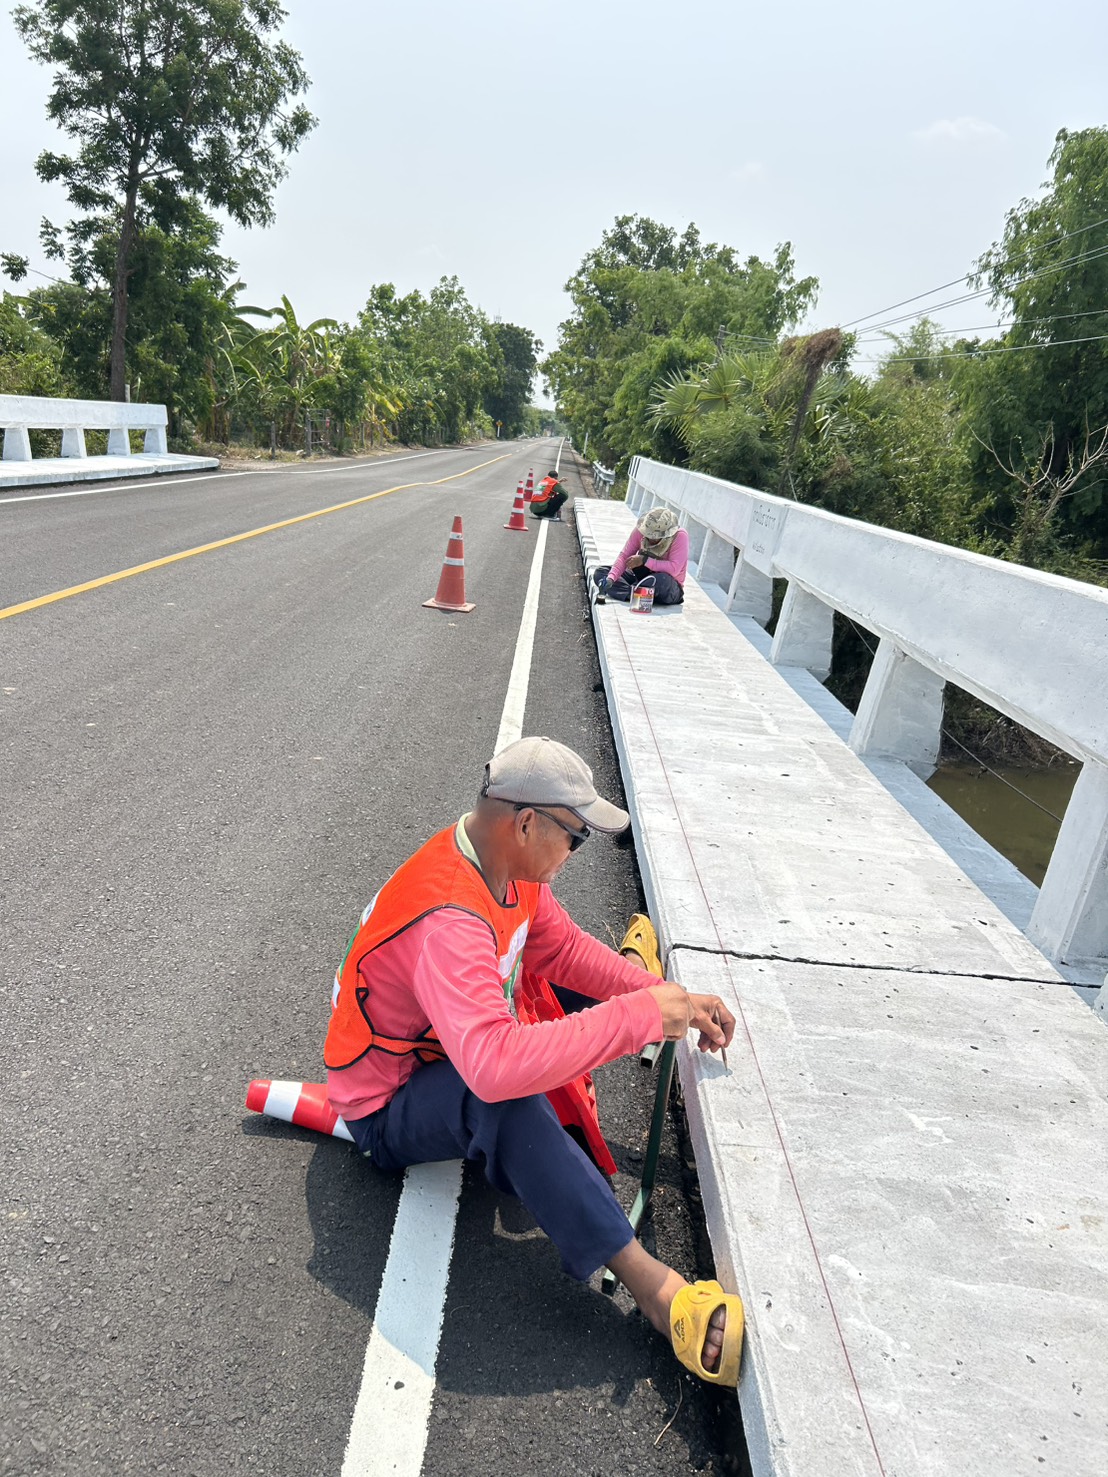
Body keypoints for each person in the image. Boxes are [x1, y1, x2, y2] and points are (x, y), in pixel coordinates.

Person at [324, 736, 744, 1385]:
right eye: (575, 837)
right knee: (502, 1098)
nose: (576, 852)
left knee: (568, 983)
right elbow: (491, 1069)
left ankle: (642, 988)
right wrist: (640, 1016)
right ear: (525, 824)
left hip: (442, 1042)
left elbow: (563, 950)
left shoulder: (503, 865)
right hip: (388, 1101)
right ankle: (656, 1290)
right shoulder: (450, 918)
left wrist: (673, 1000)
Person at [593, 506, 688, 605]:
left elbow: (674, 569)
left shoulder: (680, 536)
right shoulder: (642, 529)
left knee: (660, 580)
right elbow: (625, 556)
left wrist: (644, 560)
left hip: (666, 585)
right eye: (649, 535)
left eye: (655, 537)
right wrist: (611, 579)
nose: (651, 539)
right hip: (641, 577)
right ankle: (636, 594)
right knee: (601, 573)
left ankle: (635, 592)